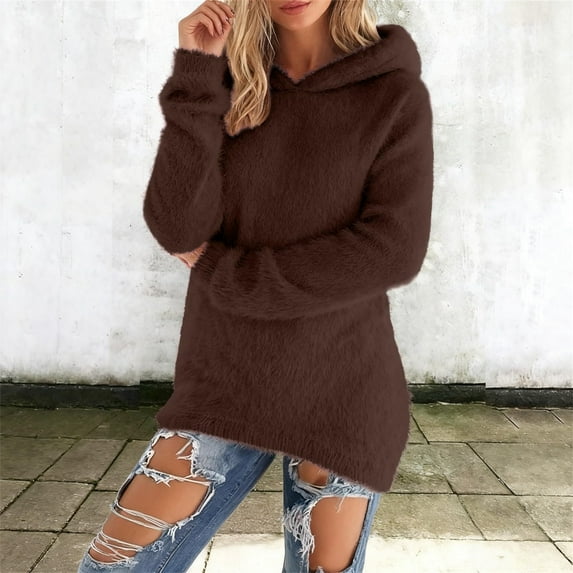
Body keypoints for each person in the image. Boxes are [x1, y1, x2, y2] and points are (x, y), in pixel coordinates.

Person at [77, 0, 434, 571]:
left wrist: (227, 274)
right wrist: (197, 69)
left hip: (342, 389)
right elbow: (177, 227)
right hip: (224, 377)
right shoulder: (226, 84)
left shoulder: (394, 94)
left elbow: (393, 249)